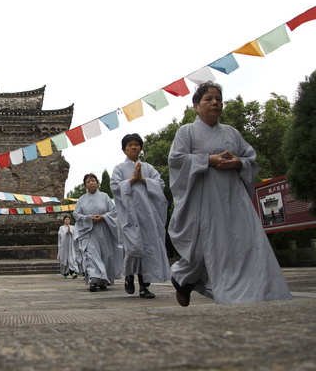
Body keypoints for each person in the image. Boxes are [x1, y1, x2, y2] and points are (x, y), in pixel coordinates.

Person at [168, 82, 292, 306]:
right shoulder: (186, 132)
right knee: (201, 249)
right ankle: (183, 279)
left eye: (218, 99)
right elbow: (176, 160)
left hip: (235, 199)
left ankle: (253, 292)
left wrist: (239, 163)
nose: (215, 103)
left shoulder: (232, 133)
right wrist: (207, 160)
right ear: (195, 106)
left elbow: (250, 159)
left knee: (245, 243)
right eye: (208, 99)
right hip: (204, 200)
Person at [110, 133, 171, 299]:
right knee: (133, 248)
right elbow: (115, 188)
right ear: (124, 150)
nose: (133, 147)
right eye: (129, 145)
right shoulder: (119, 169)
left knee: (147, 250)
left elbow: (161, 184)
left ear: (140, 148)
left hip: (148, 215)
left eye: (136, 144)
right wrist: (131, 179)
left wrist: (143, 179)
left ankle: (144, 286)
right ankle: (129, 275)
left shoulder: (148, 168)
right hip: (129, 216)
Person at [73, 173, 123, 292]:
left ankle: (103, 280)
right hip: (89, 230)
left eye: (93, 181)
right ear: (85, 185)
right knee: (91, 254)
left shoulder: (105, 197)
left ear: (97, 182)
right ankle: (93, 279)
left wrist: (104, 217)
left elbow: (113, 211)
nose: (91, 183)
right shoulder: (81, 200)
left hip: (104, 228)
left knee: (106, 255)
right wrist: (89, 218)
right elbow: (76, 214)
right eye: (88, 181)